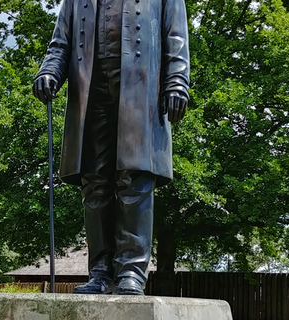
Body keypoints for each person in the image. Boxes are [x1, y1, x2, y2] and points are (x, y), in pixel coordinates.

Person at [33, 0, 189, 295]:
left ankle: (131, 270)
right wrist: (49, 71)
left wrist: (178, 80)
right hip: (89, 87)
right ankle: (100, 272)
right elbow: (61, 42)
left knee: (134, 176)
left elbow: (176, 35)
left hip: (141, 85)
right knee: (94, 182)